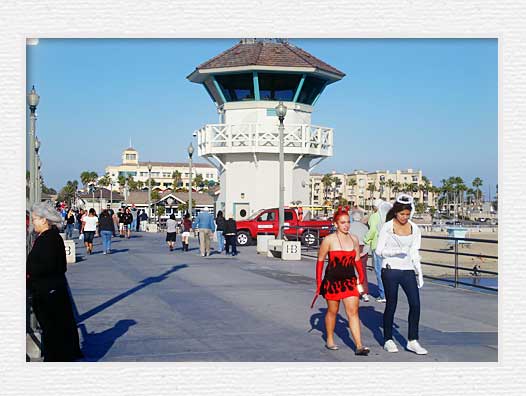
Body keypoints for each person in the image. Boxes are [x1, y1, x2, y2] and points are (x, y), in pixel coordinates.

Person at [26, 202, 83, 361]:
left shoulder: (48, 239)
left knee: (52, 329)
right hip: (52, 289)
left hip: (47, 291)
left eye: (35, 219)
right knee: (57, 328)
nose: (33, 222)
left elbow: (49, 265)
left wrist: (31, 272)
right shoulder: (52, 237)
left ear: (44, 220)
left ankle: (56, 358)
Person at [313, 206, 370, 355]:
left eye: (348, 222)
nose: (346, 225)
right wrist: (319, 282)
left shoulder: (354, 239)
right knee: (333, 311)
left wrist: (361, 277)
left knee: (353, 312)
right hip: (332, 282)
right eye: (343, 222)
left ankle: (359, 345)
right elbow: (320, 261)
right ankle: (330, 339)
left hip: (349, 281)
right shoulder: (329, 240)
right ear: (336, 224)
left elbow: (357, 259)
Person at [376, 194, 428, 355]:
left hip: (408, 270)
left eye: (407, 214)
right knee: (392, 304)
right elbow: (379, 251)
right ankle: (388, 339)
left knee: (415, 304)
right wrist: (397, 251)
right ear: (396, 213)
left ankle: (413, 340)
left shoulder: (415, 228)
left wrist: (419, 271)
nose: (404, 217)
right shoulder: (387, 227)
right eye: (401, 214)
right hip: (390, 269)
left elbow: (414, 251)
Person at [364, 199, 387, 303]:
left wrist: (366, 239)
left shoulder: (374, 216)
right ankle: (388, 293)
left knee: (379, 270)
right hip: (387, 246)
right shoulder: (387, 215)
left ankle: (383, 295)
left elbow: (372, 230)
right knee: (387, 271)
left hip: (377, 245)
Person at [349, 210, 371, 302]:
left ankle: (352, 291)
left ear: (353, 217)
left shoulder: (349, 227)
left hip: (352, 249)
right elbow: (368, 241)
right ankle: (364, 292)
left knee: (350, 272)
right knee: (362, 272)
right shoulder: (365, 228)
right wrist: (364, 252)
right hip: (362, 249)